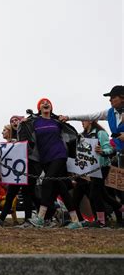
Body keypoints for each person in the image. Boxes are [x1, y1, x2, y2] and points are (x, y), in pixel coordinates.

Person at [60, 85, 124, 227]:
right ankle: (105, 218)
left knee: (103, 193)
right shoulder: (110, 113)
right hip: (116, 157)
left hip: (106, 163)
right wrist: (69, 117)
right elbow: (90, 115)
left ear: (122, 98)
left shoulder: (100, 133)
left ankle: (104, 220)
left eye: (113, 98)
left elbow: (108, 148)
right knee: (103, 194)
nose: (110, 101)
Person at [24, 98, 82, 229]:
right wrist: (24, 123)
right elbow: (25, 134)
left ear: (51, 107)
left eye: (48, 102)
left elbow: (71, 135)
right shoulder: (34, 122)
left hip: (59, 155)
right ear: (39, 108)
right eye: (43, 103)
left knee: (46, 182)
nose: (46, 104)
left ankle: (40, 218)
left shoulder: (57, 122)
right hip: (44, 158)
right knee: (61, 188)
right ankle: (75, 220)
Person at [73, 120, 123, 227]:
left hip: (102, 167)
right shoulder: (83, 136)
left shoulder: (100, 133)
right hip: (92, 168)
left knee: (95, 194)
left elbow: (110, 149)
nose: (82, 123)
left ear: (90, 121)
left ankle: (101, 221)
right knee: (103, 194)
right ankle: (120, 208)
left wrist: (102, 151)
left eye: (84, 120)